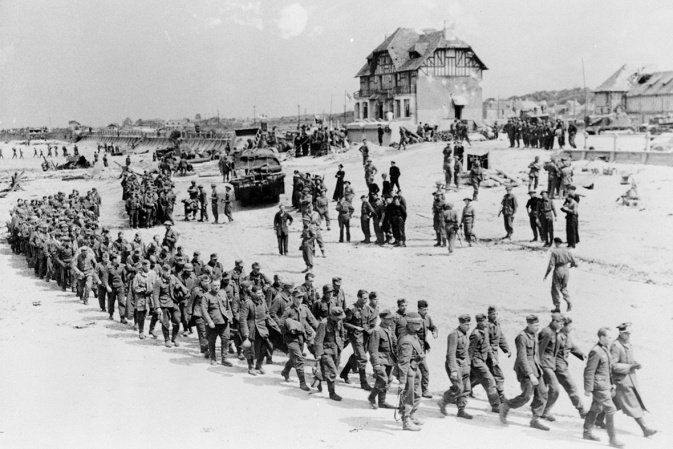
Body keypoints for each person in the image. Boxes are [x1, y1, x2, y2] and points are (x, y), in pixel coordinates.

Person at [499, 315, 550, 431]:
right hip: (525, 371)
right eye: (535, 325)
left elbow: (536, 354)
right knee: (526, 396)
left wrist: (539, 370)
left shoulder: (534, 335)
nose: (538, 328)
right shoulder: (521, 337)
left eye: (538, 325)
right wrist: (530, 375)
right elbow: (522, 358)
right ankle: (506, 405)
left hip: (536, 369)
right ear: (529, 324)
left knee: (542, 394)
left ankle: (535, 420)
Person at [609, 322, 657, 437]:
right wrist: (630, 367)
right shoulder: (616, 346)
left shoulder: (627, 344)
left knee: (613, 403)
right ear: (621, 334)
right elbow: (613, 366)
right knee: (633, 403)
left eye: (629, 333)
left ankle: (596, 418)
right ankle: (645, 429)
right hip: (622, 381)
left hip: (629, 379)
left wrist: (635, 363)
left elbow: (628, 360)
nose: (629, 336)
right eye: (626, 334)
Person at [582, 327, 624, 447]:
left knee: (596, 408)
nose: (611, 339)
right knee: (610, 410)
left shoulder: (605, 349)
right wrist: (588, 388)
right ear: (601, 337)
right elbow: (589, 371)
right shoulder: (596, 351)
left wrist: (612, 383)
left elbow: (607, 370)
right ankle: (613, 439)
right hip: (599, 387)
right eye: (608, 337)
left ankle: (587, 432)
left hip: (606, 386)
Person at [544, 316, 587, 419]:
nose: (572, 328)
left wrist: (581, 354)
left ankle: (544, 410)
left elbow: (571, 346)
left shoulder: (567, 336)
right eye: (570, 326)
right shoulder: (558, 337)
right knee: (571, 388)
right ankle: (582, 411)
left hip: (561, 365)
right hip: (558, 367)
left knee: (552, 390)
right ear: (563, 326)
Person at [279, 290, 319, 391]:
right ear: (293, 298)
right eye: (298, 297)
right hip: (291, 339)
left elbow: (313, 321)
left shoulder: (305, 309)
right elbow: (281, 324)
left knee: (295, 358)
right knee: (299, 359)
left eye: (301, 297)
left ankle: (285, 371)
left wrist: (320, 331)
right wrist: (289, 329)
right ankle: (302, 383)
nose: (300, 300)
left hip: (302, 338)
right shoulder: (288, 310)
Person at [239, 285, 281, 375]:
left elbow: (267, 314)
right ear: (253, 293)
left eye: (261, 293)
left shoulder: (263, 302)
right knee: (251, 349)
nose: (260, 295)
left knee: (264, 348)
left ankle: (259, 365)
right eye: (258, 293)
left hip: (263, 329)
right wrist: (246, 333)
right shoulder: (248, 303)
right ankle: (251, 367)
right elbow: (243, 319)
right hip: (252, 329)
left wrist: (275, 326)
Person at [438, 314, 473, 419]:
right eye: (466, 324)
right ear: (461, 323)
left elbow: (466, 352)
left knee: (467, 389)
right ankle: (443, 401)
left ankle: (461, 410)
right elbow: (450, 354)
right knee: (458, 387)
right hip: (454, 364)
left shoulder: (465, 334)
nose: (468, 327)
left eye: (469, 324)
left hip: (464, 364)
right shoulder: (454, 335)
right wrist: (453, 370)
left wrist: (468, 364)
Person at [396, 312, 425, 431]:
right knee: (408, 395)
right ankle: (406, 420)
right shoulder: (406, 340)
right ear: (410, 324)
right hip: (408, 370)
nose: (420, 326)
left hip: (414, 366)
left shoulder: (412, 334)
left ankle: (412, 414)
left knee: (417, 392)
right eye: (417, 324)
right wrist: (402, 382)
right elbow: (403, 363)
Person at [340, 289, 374, 390]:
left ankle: (344, 373)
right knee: (362, 358)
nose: (366, 300)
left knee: (357, 355)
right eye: (364, 298)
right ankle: (363, 383)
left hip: (365, 335)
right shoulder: (351, 309)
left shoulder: (367, 308)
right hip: (355, 336)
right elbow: (344, 323)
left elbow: (368, 322)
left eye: (367, 298)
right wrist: (355, 328)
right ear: (358, 297)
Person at [469, 313, 501, 412]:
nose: (486, 323)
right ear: (478, 322)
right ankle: (496, 406)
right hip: (476, 362)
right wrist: (468, 365)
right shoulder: (476, 334)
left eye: (486, 320)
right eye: (483, 321)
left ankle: (453, 396)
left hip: (482, 360)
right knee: (490, 381)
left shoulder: (485, 331)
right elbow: (470, 351)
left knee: (470, 381)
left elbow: (487, 346)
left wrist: (492, 358)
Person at [313, 306, 346, 401]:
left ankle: (319, 377)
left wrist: (341, 345)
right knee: (332, 372)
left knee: (331, 371)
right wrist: (319, 355)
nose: (340, 319)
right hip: (327, 351)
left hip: (337, 350)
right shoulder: (323, 323)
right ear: (332, 316)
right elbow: (318, 340)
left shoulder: (339, 321)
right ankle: (332, 393)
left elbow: (342, 334)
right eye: (338, 317)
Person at [538, 312, 566, 422]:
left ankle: (542, 411)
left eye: (563, 324)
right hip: (544, 365)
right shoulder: (547, 333)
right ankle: (543, 412)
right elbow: (539, 351)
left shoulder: (554, 332)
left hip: (550, 365)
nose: (562, 326)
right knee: (555, 390)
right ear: (554, 322)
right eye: (560, 323)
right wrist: (538, 366)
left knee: (543, 391)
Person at [367, 309, 397, 409]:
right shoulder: (377, 331)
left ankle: (382, 401)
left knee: (387, 380)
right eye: (389, 319)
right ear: (383, 319)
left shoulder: (389, 329)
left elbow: (393, 346)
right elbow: (373, 349)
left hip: (389, 360)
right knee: (383, 380)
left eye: (392, 318)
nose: (391, 320)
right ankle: (372, 397)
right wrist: (375, 364)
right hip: (380, 360)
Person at [201, 280, 234, 366]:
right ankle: (213, 358)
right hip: (213, 323)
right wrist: (209, 322)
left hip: (224, 322)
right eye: (215, 285)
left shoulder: (223, 293)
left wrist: (230, 317)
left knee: (225, 340)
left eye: (218, 285)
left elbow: (228, 307)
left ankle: (224, 359)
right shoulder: (206, 296)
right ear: (211, 286)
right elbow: (204, 311)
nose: (217, 287)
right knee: (212, 341)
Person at [544, 237, 577, 312]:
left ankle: (557, 307)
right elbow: (575, 263)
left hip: (558, 270)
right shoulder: (567, 251)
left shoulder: (555, 252)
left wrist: (546, 274)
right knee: (564, 288)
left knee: (555, 289)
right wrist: (571, 265)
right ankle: (569, 301)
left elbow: (551, 265)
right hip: (566, 270)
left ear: (556, 243)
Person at [417, 300, 437, 398]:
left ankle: (423, 389)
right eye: (424, 310)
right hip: (416, 347)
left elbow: (433, 327)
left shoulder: (427, 318)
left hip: (423, 348)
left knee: (422, 369)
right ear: (419, 309)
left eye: (427, 309)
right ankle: (423, 390)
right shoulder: (415, 318)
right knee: (424, 370)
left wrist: (434, 332)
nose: (426, 311)